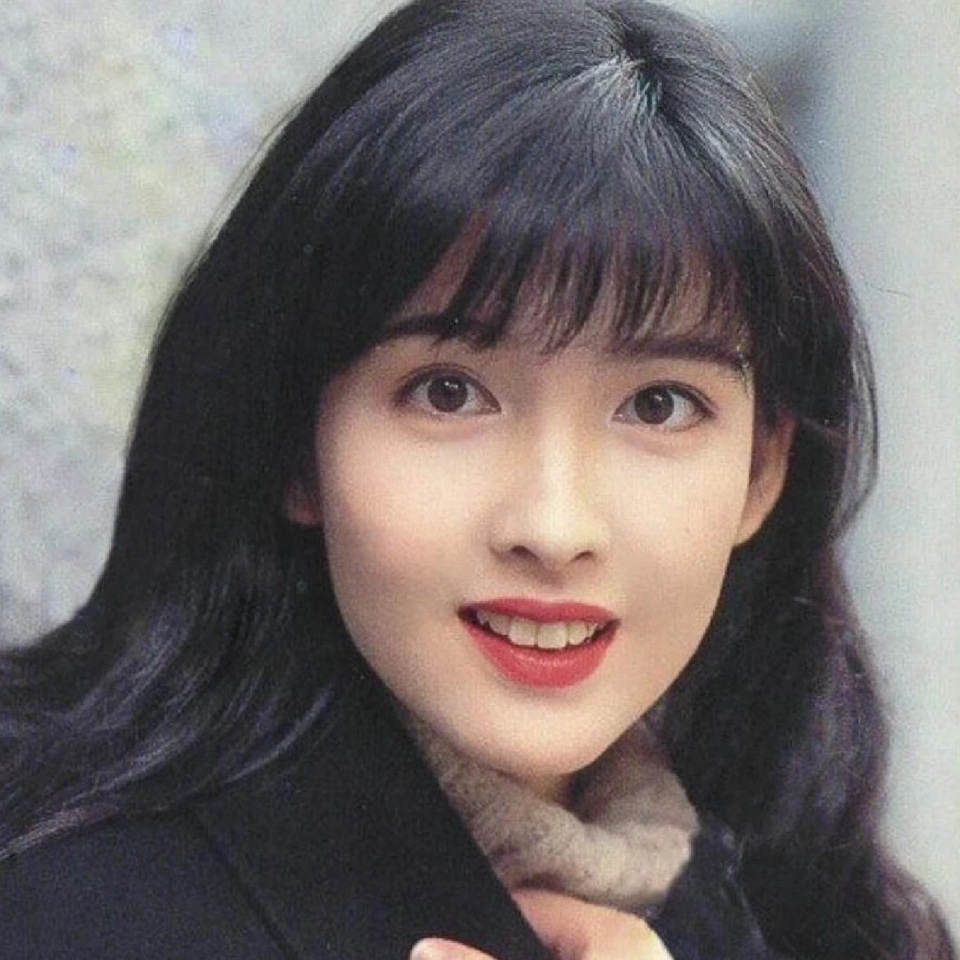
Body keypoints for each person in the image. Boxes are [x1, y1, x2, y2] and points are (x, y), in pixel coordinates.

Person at [0, 0, 954, 958]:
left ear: (761, 471)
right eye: (449, 393)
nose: (554, 526)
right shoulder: (71, 912)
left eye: (658, 405)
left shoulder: (821, 921)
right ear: (295, 445)